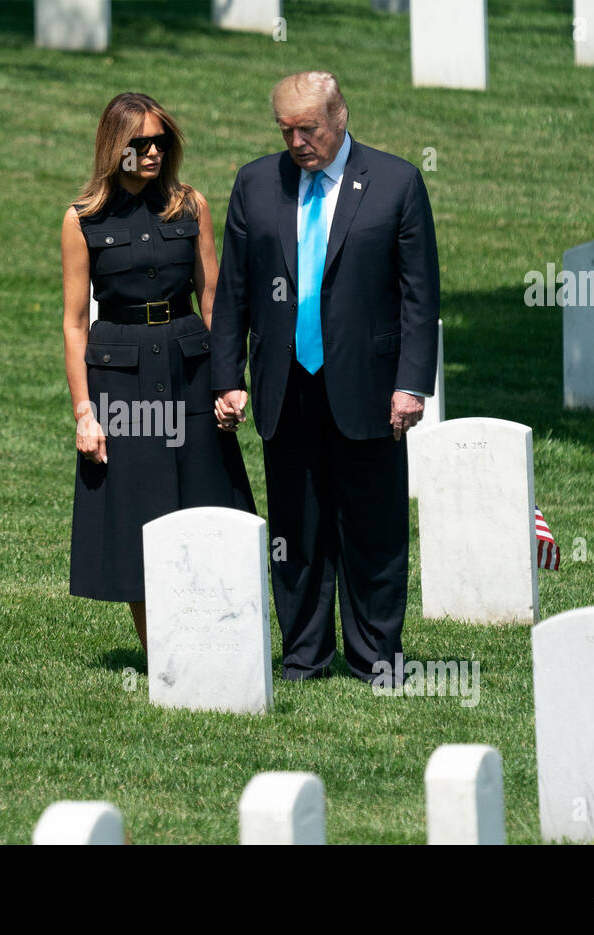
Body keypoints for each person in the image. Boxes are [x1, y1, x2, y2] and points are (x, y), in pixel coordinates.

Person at [211, 72, 440, 683]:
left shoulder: (396, 182)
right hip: (286, 386)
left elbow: (420, 296)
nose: (296, 142)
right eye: (285, 130)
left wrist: (412, 383)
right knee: (297, 530)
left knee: (373, 530)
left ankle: (374, 657)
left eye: (307, 128)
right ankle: (304, 655)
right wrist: (226, 377)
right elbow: (233, 291)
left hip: (369, 387)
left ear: (339, 116)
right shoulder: (257, 184)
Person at [63, 92, 257, 651]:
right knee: (137, 508)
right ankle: (165, 653)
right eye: (139, 143)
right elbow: (76, 324)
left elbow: (214, 299)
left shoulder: (189, 204)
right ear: (114, 147)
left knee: (209, 499)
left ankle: (223, 640)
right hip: (120, 377)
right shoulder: (82, 220)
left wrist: (229, 380)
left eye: (160, 141)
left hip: (189, 363)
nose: (152, 152)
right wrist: (84, 412)